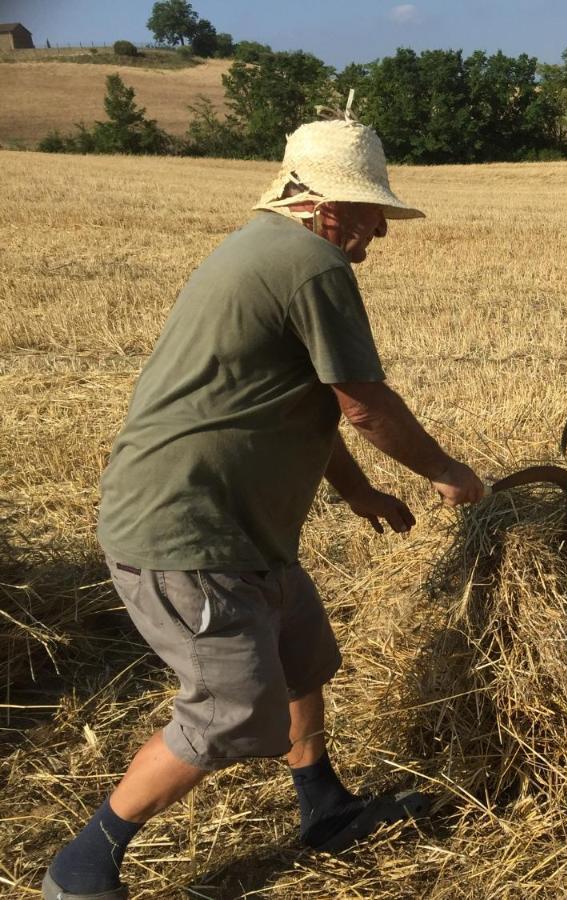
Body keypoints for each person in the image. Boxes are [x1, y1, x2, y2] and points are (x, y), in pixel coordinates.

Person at [43, 108, 485, 900]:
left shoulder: (268, 250)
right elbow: (362, 403)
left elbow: (299, 402)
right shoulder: (310, 263)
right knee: (235, 713)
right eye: (367, 211)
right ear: (318, 205)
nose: (377, 232)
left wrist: (359, 492)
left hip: (242, 526)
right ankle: (83, 864)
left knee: (302, 659)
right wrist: (447, 471)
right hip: (186, 528)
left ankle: (322, 807)